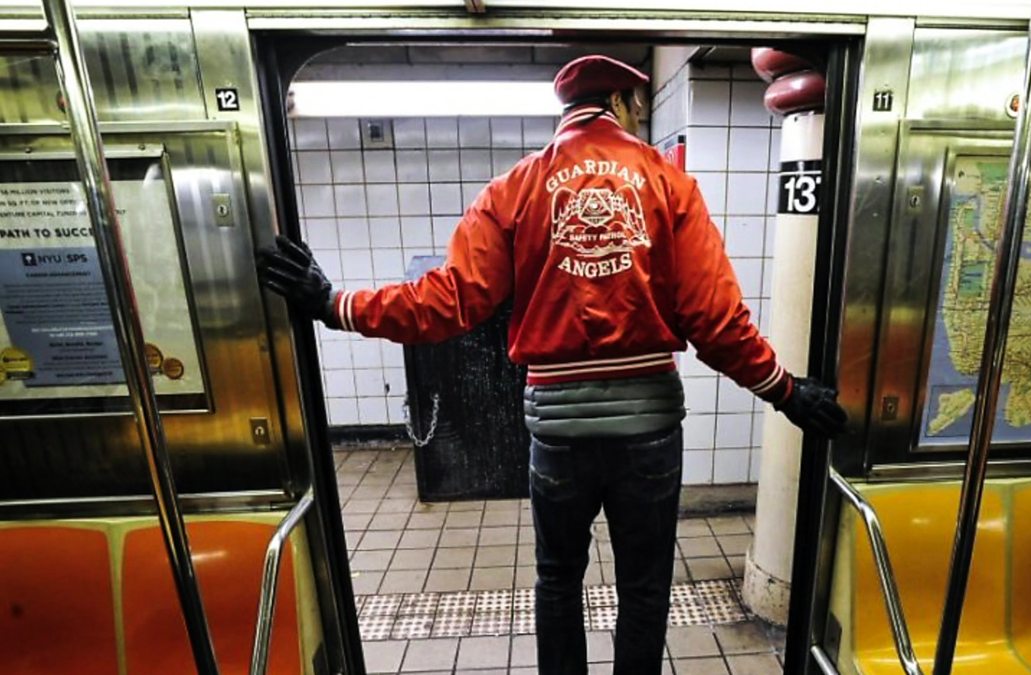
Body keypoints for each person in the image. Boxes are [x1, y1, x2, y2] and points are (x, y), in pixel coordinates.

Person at [259, 54, 847, 674]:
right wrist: (786, 392)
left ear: (568, 108)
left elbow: (448, 301)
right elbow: (716, 322)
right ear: (622, 101)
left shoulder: (515, 188)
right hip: (647, 433)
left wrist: (334, 303)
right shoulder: (669, 184)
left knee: (558, 582)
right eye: (638, 106)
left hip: (557, 435)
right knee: (644, 590)